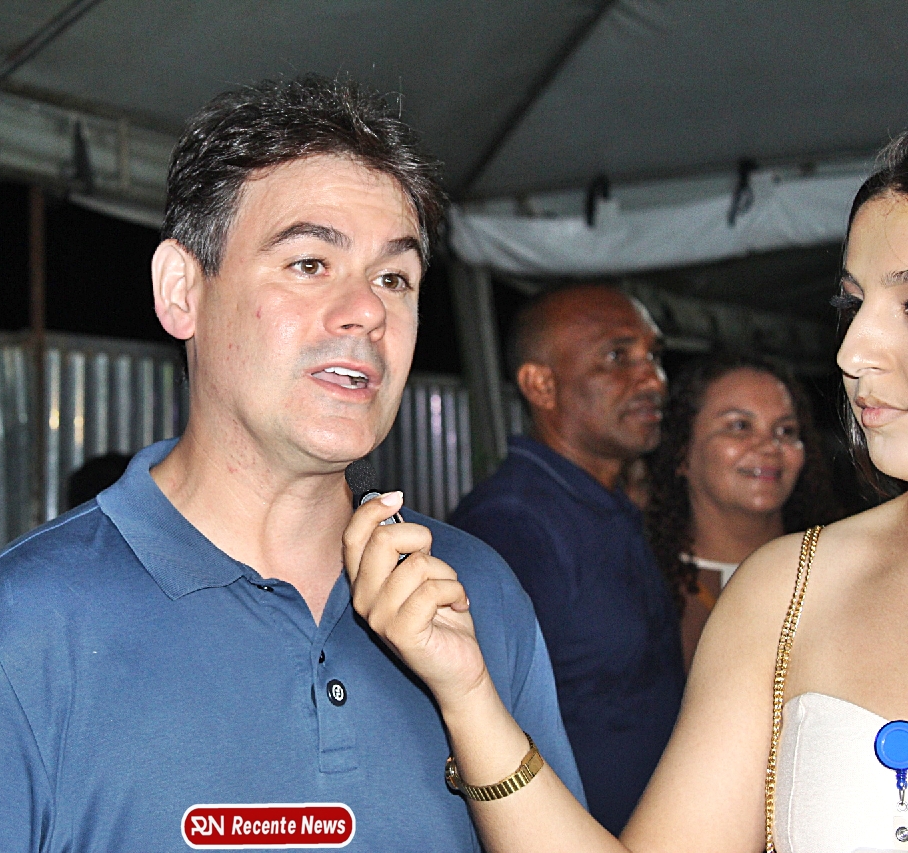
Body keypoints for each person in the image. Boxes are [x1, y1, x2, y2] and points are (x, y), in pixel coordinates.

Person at [0, 75, 582, 852]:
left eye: (395, 277)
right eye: (309, 263)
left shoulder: (475, 597)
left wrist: (469, 694)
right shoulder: (19, 633)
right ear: (181, 291)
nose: (368, 309)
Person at [344, 131, 908, 853]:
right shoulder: (784, 588)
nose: (852, 351)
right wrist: (469, 697)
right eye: (851, 305)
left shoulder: (623, 520)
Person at [449, 284, 683, 835]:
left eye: (653, 356)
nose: (653, 380)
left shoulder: (606, 504)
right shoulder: (513, 525)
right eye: (617, 357)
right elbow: (481, 732)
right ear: (541, 385)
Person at [646, 355, 841, 670]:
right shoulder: (639, 581)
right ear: (682, 451)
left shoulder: (840, 576)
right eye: (740, 426)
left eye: (786, 430)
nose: (769, 446)